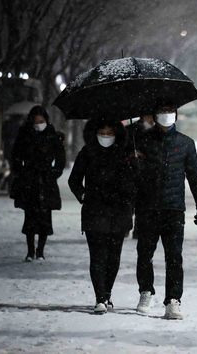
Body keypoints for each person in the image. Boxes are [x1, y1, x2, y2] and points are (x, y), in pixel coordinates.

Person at [132, 105, 197, 320]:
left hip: (173, 208)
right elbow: (134, 179)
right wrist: (135, 164)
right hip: (147, 207)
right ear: (154, 116)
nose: (166, 115)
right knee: (144, 253)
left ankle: (173, 300)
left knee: (174, 257)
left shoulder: (185, 143)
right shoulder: (142, 141)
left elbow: (194, 176)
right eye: (162, 111)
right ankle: (145, 291)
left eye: (170, 111)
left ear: (175, 114)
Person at [69, 119, 135, 314]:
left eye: (110, 131)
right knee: (97, 256)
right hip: (95, 210)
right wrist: (83, 195)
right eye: (102, 131)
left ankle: (107, 293)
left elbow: (134, 183)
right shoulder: (88, 152)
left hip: (119, 211)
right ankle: (100, 297)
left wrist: (134, 166)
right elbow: (74, 179)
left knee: (113, 257)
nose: (106, 136)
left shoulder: (125, 154)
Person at [10, 106, 66, 262]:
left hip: (46, 181)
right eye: (36, 121)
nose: (38, 124)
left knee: (45, 217)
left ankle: (40, 251)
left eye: (41, 121)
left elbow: (60, 158)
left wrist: (53, 173)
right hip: (30, 181)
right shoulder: (25, 134)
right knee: (30, 217)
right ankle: (30, 251)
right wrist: (21, 172)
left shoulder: (52, 135)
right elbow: (15, 155)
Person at [126, 114, 155, 239]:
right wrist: (132, 153)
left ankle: (139, 229)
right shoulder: (130, 130)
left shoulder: (158, 131)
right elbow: (122, 148)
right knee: (130, 202)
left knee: (144, 204)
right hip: (132, 171)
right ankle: (126, 227)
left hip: (149, 173)